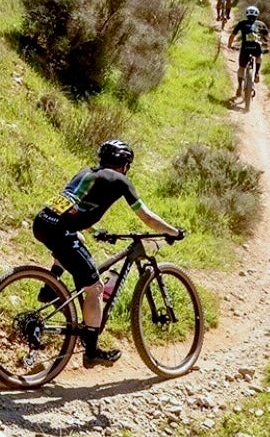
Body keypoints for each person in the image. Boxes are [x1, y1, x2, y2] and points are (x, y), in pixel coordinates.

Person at [32, 139, 182, 368]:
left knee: (76, 240)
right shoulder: (119, 181)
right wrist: (173, 231)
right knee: (95, 288)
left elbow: (71, 207)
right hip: (60, 230)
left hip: (43, 222)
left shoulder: (87, 172)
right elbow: (148, 218)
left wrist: (96, 231)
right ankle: (92, 352)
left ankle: (50, 287)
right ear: (125, 164)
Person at [227, 5, 270, 96]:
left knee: (241, 68)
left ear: (247, 14)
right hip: (256, 48)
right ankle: (257, 73)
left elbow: (232, 35)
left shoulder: (242, 23)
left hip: (245, 48)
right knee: (259, 56)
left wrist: (229, 45)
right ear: (257, 15)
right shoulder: (261, 24)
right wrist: (269, 48)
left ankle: (239, 86)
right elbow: (269, 38)